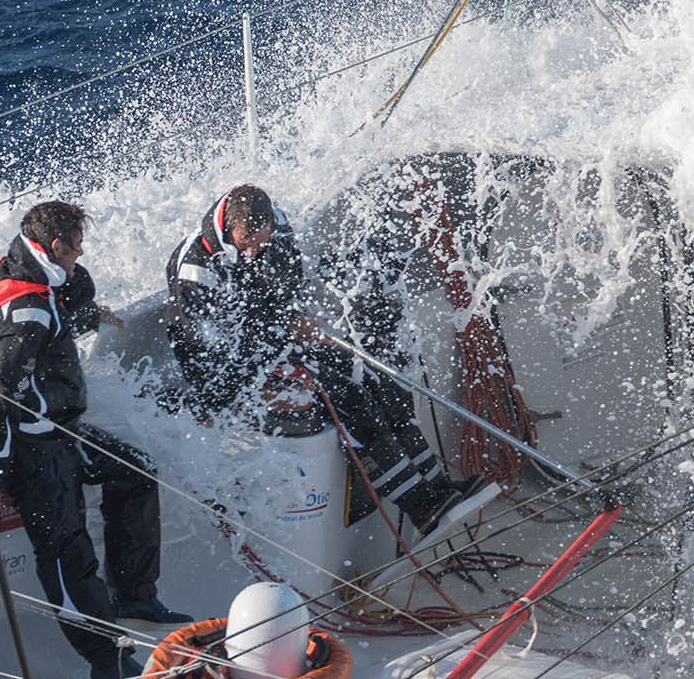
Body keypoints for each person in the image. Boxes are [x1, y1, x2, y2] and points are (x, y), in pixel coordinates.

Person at [165, 185, 496, 542]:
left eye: (261, 240)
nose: (254, 250)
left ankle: (438, 486)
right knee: (350, 398)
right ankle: (419, 506)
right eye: (247, 242)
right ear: (229, 228)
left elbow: (285, 282)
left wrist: (290, 322)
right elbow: (212, 353)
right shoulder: (196, 272)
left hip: (275, 342)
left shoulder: (272, 228)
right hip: (231, 370)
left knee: (384, 385)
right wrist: (282, 336)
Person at [0, 201, 189, 679]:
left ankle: (134, 595)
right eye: (75, 248)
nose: (79, 257)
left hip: (58, 430)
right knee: (67, 553)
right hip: (29, 450)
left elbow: (59, 317)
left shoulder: (21, 269)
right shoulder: (28, 313)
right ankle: (107, 660)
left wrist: (87, 312)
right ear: (54, 245)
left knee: (135, 471)